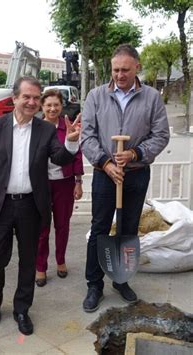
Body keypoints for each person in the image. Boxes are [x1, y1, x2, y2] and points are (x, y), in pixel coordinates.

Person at [0, 76, 80, 336]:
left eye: (35, 97)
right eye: (27, 97)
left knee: (28, 261)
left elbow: (60, 157)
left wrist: (72, 141)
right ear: (15, 99)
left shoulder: (45, 130)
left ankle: (22, 308)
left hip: (31, 205)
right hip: (0, 204)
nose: (32, 102)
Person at [81, 44, 169, 312]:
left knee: (128, 229)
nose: (119, 75)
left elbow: (161, 135)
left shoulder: (152, 98)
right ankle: (94, 285)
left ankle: (121, 280)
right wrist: (106, 163)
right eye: (115, 69)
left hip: (136, 174)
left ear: (136, 68)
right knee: (99, 229)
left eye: (125, 70)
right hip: (104, 175)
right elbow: (87, 136)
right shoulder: (95, 97)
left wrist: (135, 153)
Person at [35, 89, 84, 287]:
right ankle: (40, 266)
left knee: (62, 225)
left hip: (64, 183)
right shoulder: (35, 127)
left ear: (61, 106)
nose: (52, 108)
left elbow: (77, 155)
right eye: (48, 105)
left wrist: (78, 182)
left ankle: (61, 260)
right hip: (41, 184)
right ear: (42, 107)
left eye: (56, 105)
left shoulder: (68, 127)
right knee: (42, 228)